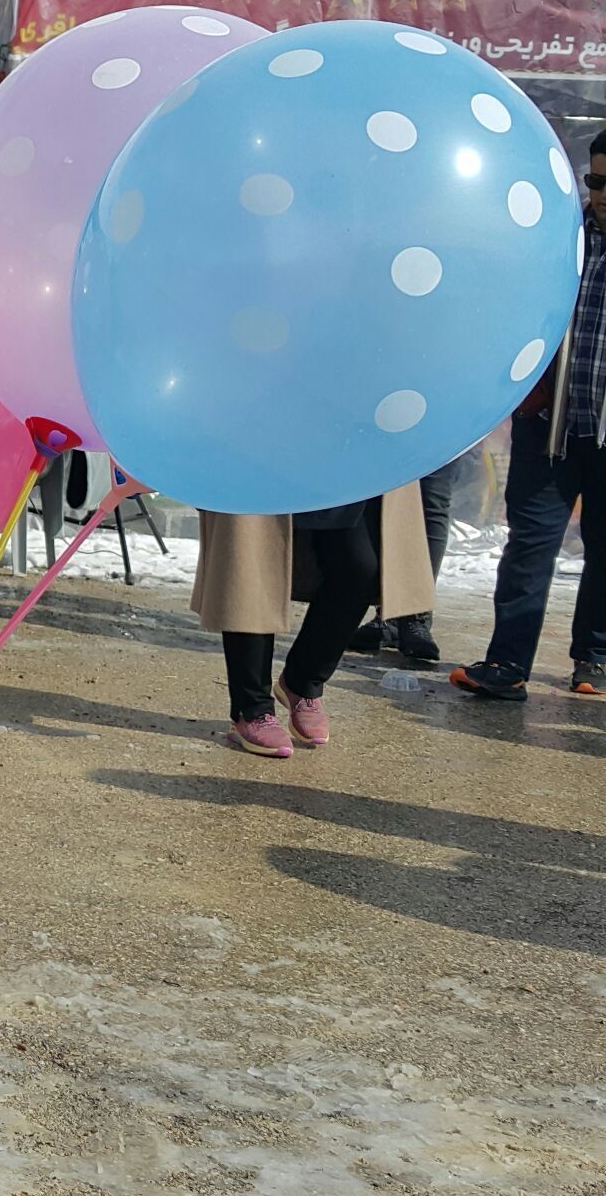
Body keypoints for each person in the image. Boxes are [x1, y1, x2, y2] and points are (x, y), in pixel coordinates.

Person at [454, 131, 606, 702]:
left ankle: (594, 658)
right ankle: (507, 662)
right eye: (595, 181)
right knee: (528, 546)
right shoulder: (559, 238)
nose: (602, 193)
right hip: (552, 426)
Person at [193, 489, 435, 757]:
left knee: (359, 567)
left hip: (341, 457)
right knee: (252, 562)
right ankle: (251, 710)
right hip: (257, 454)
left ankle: (302, 681)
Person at [351, 456, 461, 663]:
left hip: (441, 427)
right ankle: (389, 613)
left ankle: (416, 613)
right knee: (383, 496)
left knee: (431, 497)